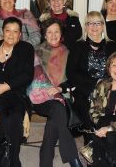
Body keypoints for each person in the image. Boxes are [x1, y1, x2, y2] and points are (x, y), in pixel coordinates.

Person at [27, 18, 82, 167]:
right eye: (49, 32)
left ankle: (45, 163)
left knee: (54, 121)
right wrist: (48, 91)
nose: (53, 35)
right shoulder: (36, 52)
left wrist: (60, 89)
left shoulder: (68, 53)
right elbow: (31, 80)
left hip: (63, 97)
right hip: (41, 98)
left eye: (56, 31)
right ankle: (74, 160)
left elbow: (74, 79)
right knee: (57, 110)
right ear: (44, 34)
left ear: (61, 33)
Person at [0, 17, 34, 167]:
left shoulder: (26, 48)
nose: (11, 35)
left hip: (15, 96)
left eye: (15, 32)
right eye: (8, 31)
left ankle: (12, 161)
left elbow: (26, 75)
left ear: (20, 35)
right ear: (2, 32)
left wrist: (5, 86)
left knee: (12, 121)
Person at [66, 11, 116, 145]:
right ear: (85, 26)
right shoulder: (78, 46)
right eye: (90, 23)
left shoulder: (112, 46)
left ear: (102, 26)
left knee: (111, 113)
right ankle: (90, 147)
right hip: (84, 90)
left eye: (97, 23)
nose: (94, 26)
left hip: (109, 90)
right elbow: (71, 73)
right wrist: (94, 85)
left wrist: (106, 87)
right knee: (87, 111)